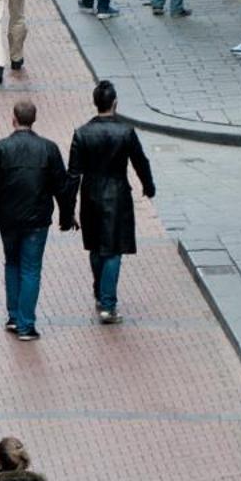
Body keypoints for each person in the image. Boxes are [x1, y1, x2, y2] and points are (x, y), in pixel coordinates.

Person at [0, 99, 72, 340]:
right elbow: (61, 187)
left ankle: (13, 316)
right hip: (37, 220)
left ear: (13, 119)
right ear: (34, 119)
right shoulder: (49, 149)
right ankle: (26, 323)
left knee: (12, 264)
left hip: (7, 220)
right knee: (31, 269)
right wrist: (66, 215)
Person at [63, 80, 154, 324]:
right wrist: (148, 186)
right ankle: (108, 303)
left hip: (90, 194)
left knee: (95, 246)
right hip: (117, 194)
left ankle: (100, 291)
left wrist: (67, 209)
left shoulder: (81, 133)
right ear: (115, 103)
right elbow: (140, 161)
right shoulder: (125, 132)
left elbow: (72, 175)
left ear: (95, 103)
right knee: (113, 249)